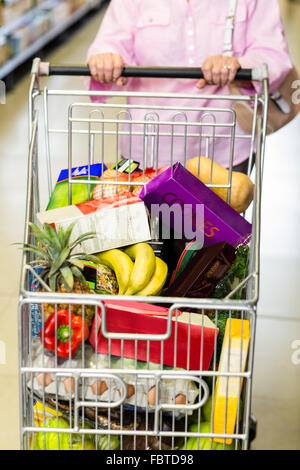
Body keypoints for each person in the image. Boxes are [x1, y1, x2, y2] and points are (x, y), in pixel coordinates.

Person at [86, 0, 292, 173]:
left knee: (216, 221)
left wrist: (240, 67)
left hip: (224, 149)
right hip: (144, 150)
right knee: (146, 221)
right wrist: (105, 59)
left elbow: (272, 52)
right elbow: (109, 42)